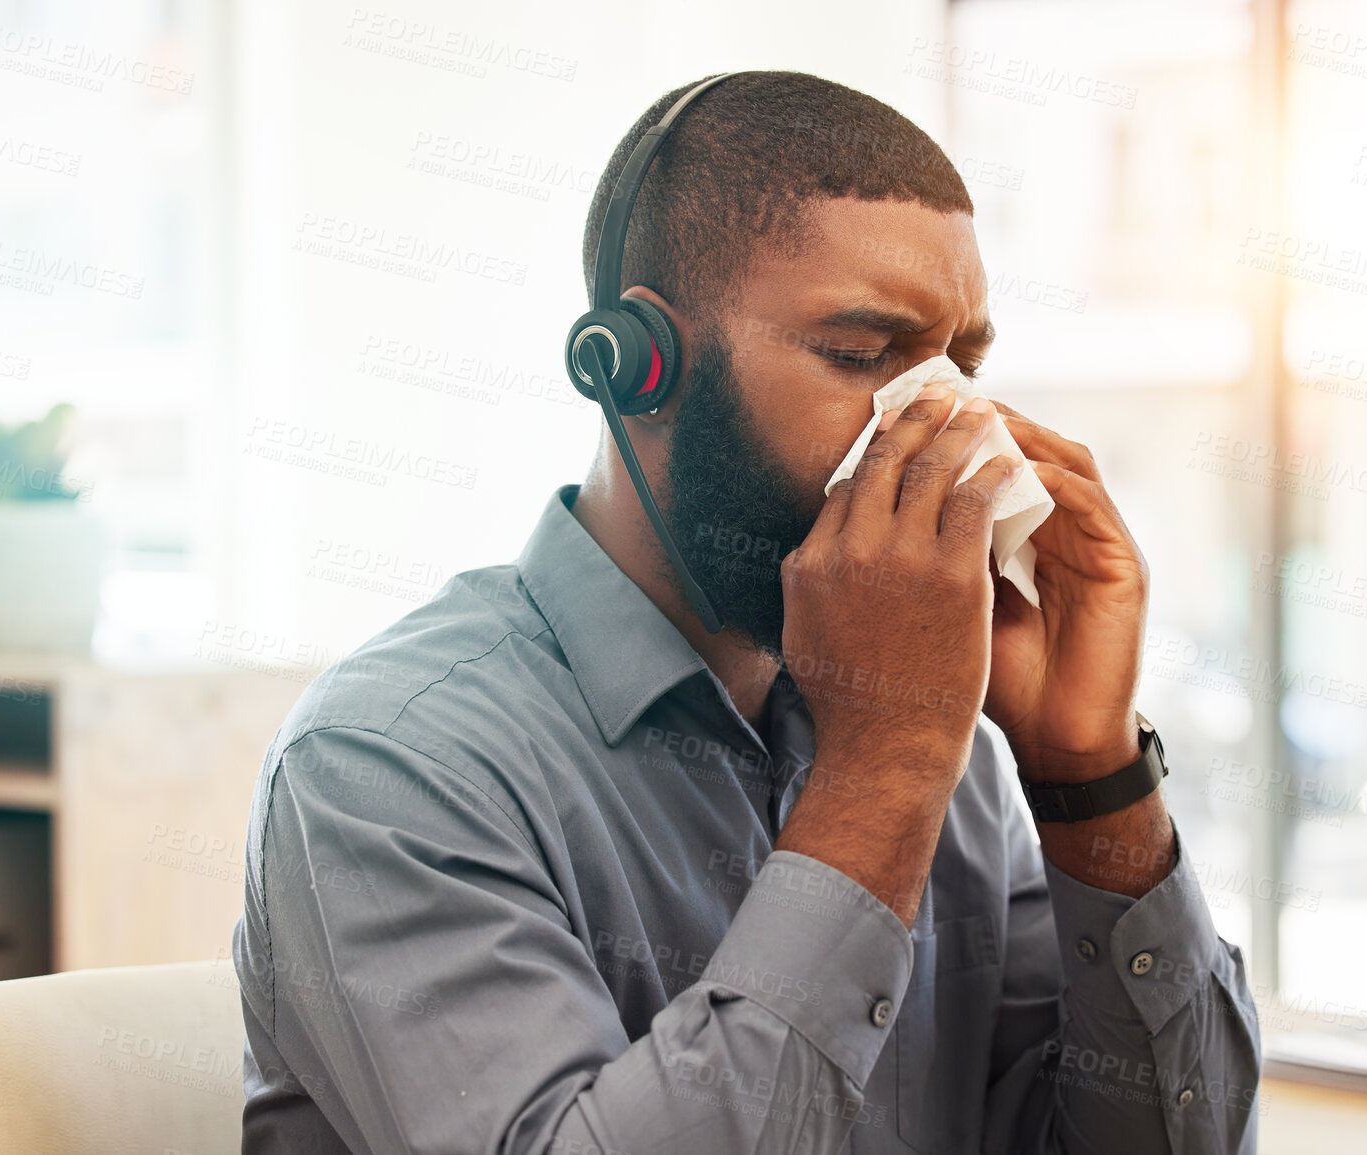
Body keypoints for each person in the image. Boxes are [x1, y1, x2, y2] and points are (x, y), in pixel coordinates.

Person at [233, 69, 1261, 1155]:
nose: (950, 433)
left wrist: (1088, 777)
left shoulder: (950, 762)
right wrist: (882, 776)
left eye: (960, 367)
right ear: (638, 368)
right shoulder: (387, 768)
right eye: (861, 355)